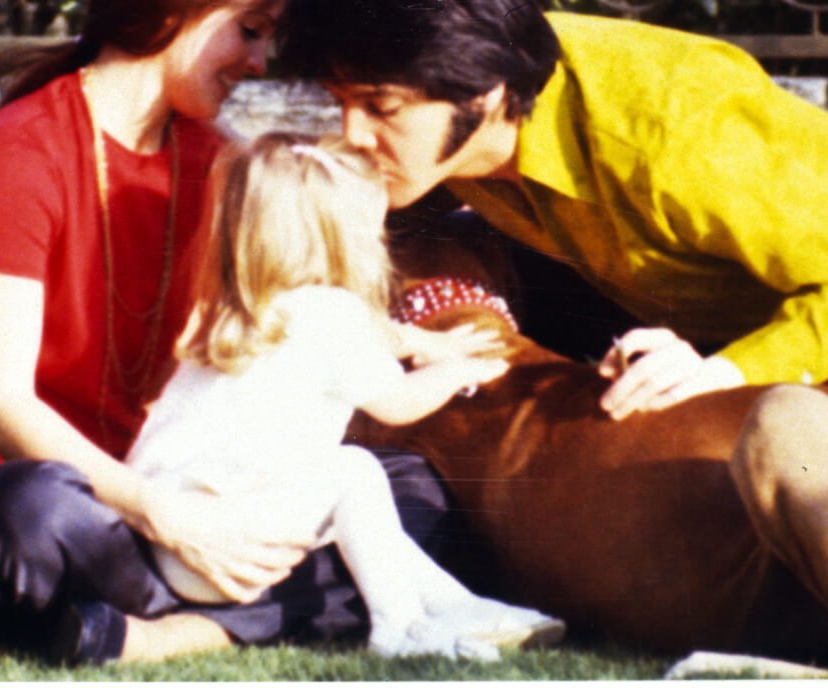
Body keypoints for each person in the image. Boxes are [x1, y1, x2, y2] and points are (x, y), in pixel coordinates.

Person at [0, 0, 457, 665]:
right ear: (179, 3)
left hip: (154, 512)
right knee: (33, 515)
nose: (259, 61)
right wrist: (166, 517)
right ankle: (240, 612)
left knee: (404, 492)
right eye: (248, 31)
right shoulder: (21, 154)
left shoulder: (214, 159)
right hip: (5, 503)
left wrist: (421, 342)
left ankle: (158, 632)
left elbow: (292, 310)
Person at [273, 0, 828, 419]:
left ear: (480, 97)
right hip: (644, 288)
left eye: (379, 107)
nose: (352, 136)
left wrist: (723, 374)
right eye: (342, 105)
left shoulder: (674, 127)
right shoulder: (446, 121)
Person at [126, 132, 564, 660]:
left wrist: (427, 340)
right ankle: (397, 629)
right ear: (340, 240)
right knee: (353, 474)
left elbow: (379, 337)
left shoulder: (243, 310)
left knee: (360, 513)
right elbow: (398, 402)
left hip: (169, 539)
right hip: (233, 550)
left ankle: (461, 606)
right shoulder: (335, 314)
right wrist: (456, 370)